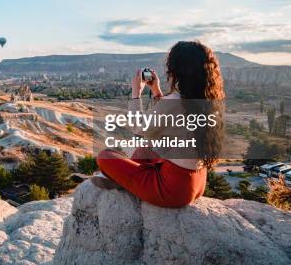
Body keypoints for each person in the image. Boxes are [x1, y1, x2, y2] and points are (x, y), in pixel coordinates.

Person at [92, 41, 225, 208]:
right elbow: (163, 122)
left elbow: (138, 127)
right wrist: (156, 91)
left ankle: (123, 180)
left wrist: (136, 93)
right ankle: (127, 178)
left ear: (177, 71)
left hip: (172, 190)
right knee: (148, 146)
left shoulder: (175, 101)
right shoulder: (206, 102)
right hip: (196, 181)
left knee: (105, 156)